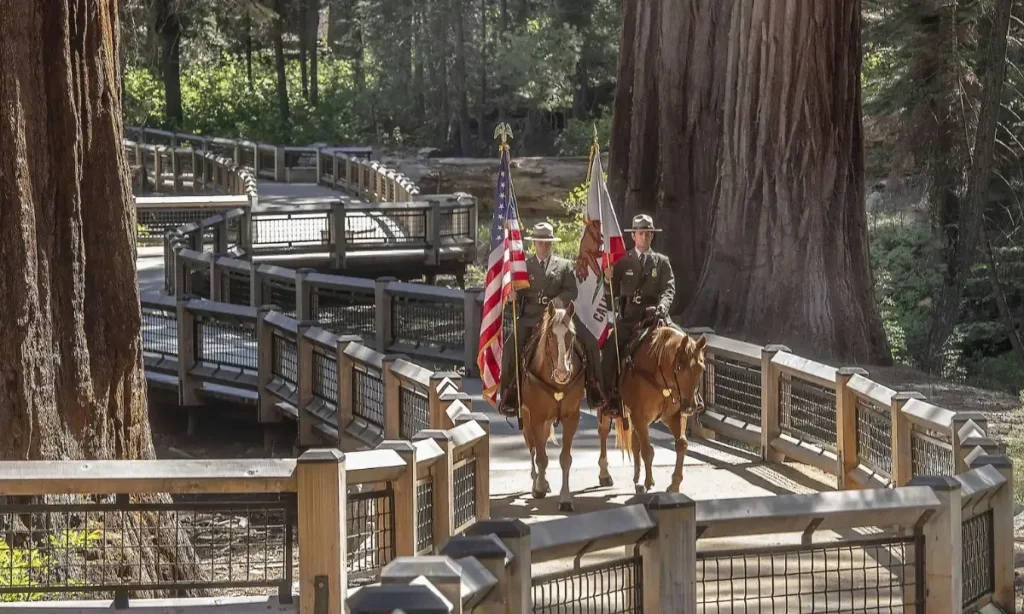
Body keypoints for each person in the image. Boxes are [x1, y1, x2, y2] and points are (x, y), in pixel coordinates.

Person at [598, 214, 676, 417]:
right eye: (641, 233)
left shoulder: (662, 262)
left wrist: (662, 307)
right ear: (633, 235)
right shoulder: (623, 261)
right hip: (630, 318)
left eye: (649, 233)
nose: (645, 237)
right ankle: (609, 397)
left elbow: (668, 289)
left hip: (656, 316)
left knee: (686, 346)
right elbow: (612, 291)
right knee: (609, 349)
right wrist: (607, 279)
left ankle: (688, 397)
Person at [498, 222, 578, 416]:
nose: (544, 246)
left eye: (547, 242)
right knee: (510, 348)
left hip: (557, 318)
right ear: (534, 242)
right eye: (540, 242)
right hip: (530, 318)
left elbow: (572, 290)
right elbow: (513, 293)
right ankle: (509, 394)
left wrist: (558, 301)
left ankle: (591, 387)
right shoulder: (523, 265)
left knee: (587, 343)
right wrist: (512, 297)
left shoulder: (564, 265)